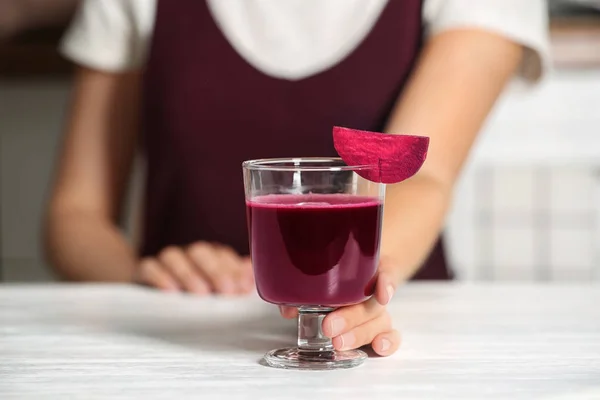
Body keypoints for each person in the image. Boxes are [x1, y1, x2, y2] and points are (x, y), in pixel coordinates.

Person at [45, 0, 549, 357]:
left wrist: (351, 289)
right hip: (179, 345)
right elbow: (75, 215)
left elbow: (424, 175)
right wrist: (144, 275)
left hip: (385, 340)